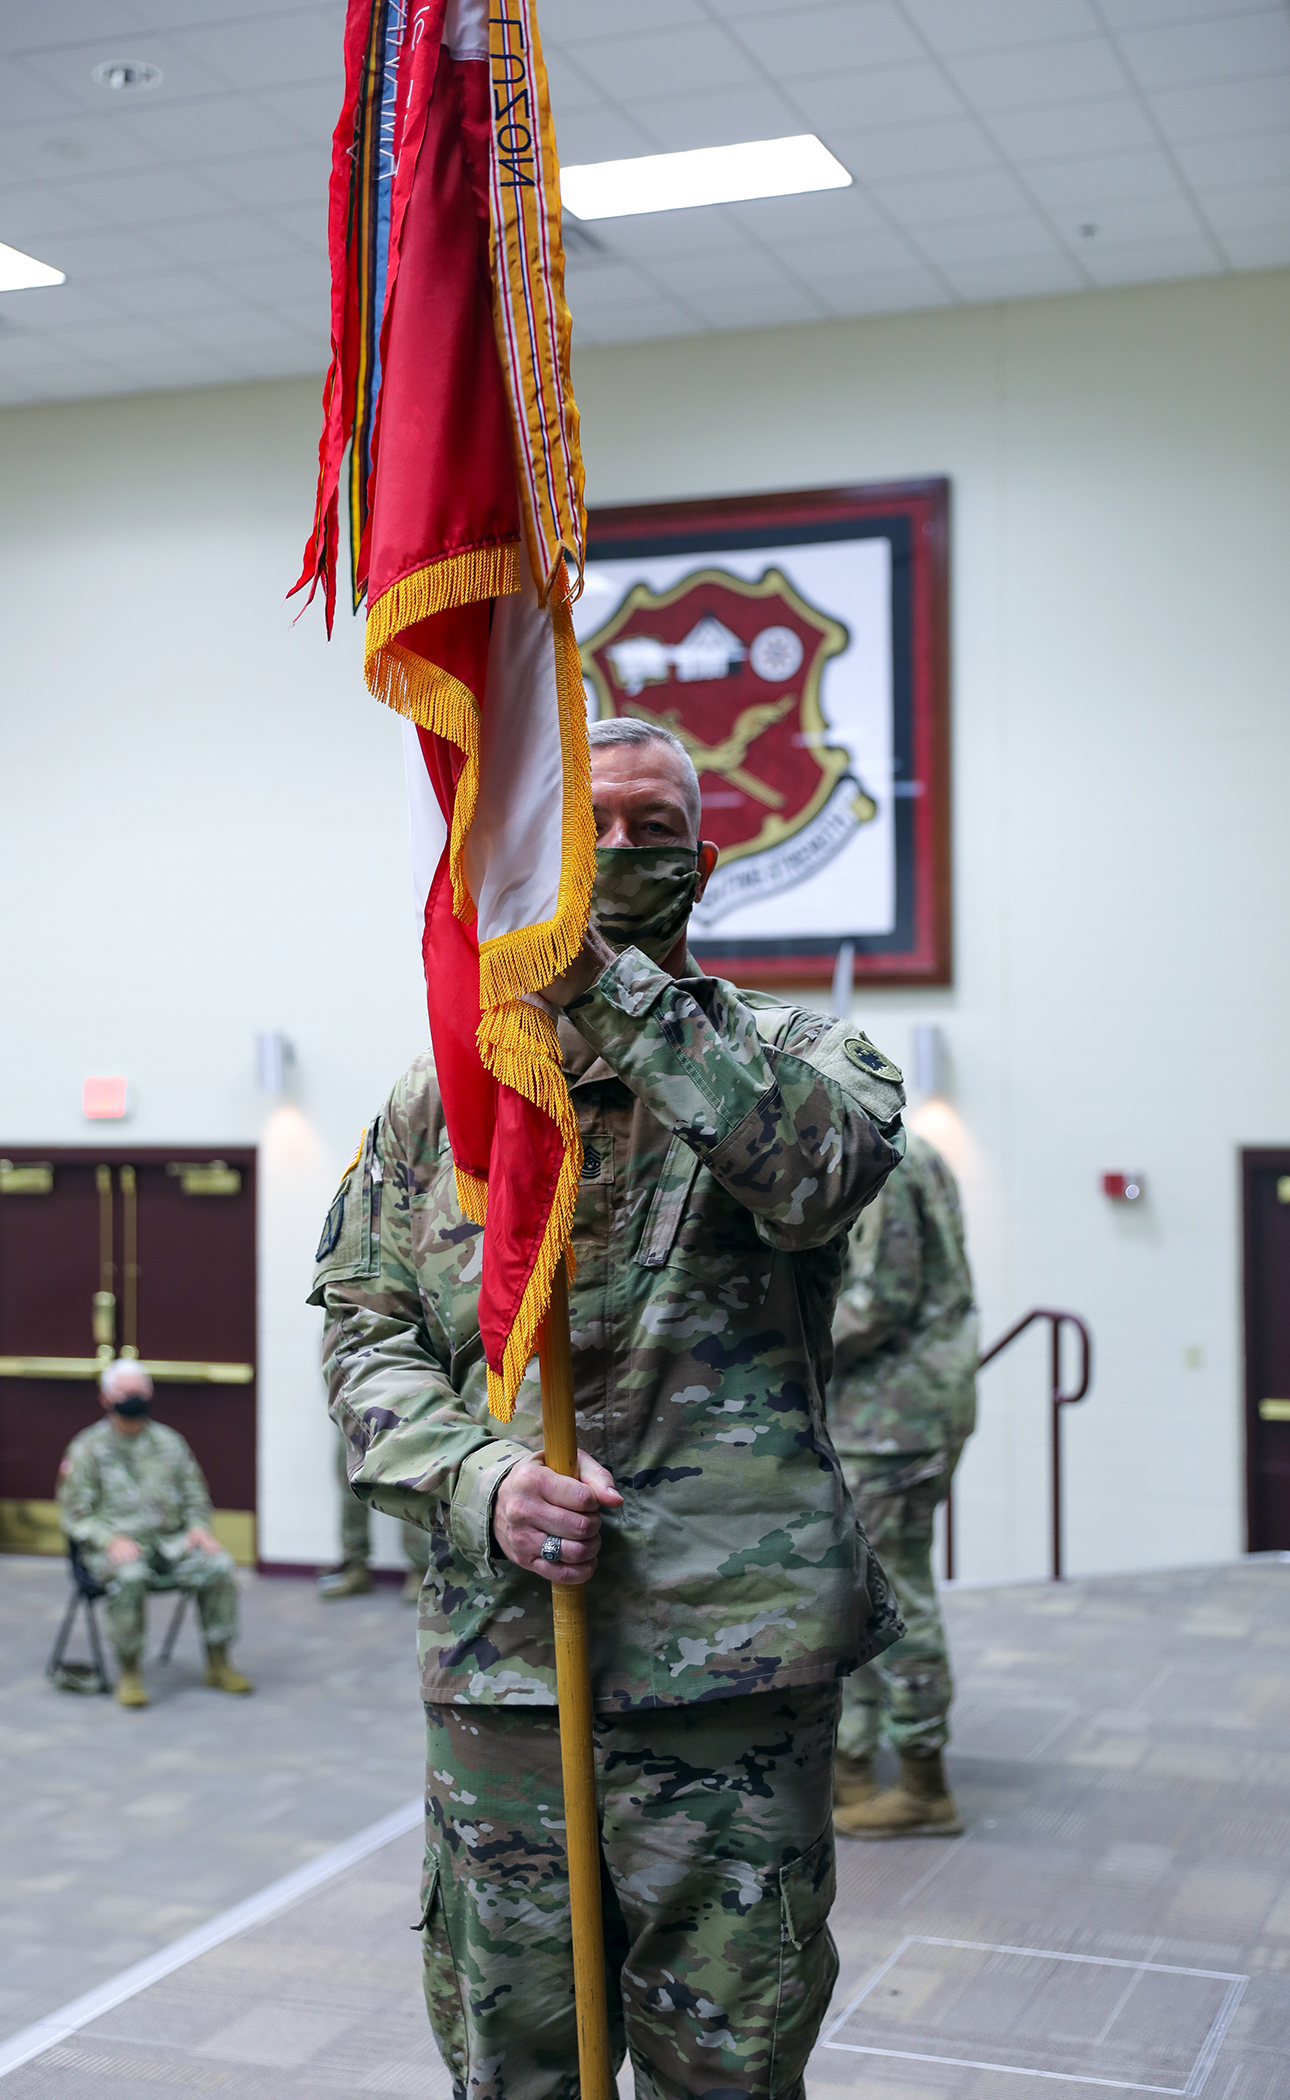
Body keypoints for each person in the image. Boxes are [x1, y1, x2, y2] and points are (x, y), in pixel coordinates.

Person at [311, 716, 908, 2100]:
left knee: (729, 2055)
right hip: (507, 1664)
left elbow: (810, 1177)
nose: (624, 851)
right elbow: (364, 1341)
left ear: (704, 866)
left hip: (730, 1672)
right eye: (594, 827)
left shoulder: (802, 1053)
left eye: (654, 830)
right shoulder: (444, 1108)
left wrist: (606, 991)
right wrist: (478, 1480)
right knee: (512, 2048)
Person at [827, 1129, 978, 1839]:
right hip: (891, 1413)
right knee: (860, 1587)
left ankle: (924, 1780)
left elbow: (880, 1298)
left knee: (896, 1589)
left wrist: (773, 1343)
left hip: (894, 1417)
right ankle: (853, 1762)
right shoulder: (906, 1149)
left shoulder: (879, 1158)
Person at [56, 1359, 253, 1710]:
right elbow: (75, 1516)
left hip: (170, 1543)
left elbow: (196, 1496)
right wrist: (109, 1540)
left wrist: (198, 1528)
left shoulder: (170, 1442)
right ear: (106, 1398)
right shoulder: (86, 1448)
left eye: (140, 1391)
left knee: (219, 1565)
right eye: (125, 1392)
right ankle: (130, 1670)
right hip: (115, 1548)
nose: (133, 1398)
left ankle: (219, 1661)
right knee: (129, 1575)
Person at [317, 1420, 433, 1601]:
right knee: (351, 1486)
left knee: (409, 1482)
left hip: (403, 1406)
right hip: (352, 1406)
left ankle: (420, 1570)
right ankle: (355, 1567)